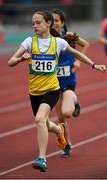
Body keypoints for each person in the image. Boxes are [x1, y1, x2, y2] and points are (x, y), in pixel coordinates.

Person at [8, 10, 106, 172]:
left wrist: (94, 65)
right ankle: (59, 130)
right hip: (35, 91)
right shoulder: (29, 42)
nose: (34, 25)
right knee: (46, 124)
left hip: (53, 89)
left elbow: (77, 54)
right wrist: (20, 59)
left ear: (48, 24)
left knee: (40, 119)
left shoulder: (59, 43)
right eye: (33, 23)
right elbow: (10, 61)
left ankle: (41, 158)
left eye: (38, 22)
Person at [52, 8, 90, 156]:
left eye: (57, 20)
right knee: (60, 117)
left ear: (62, 23)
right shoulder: (46, 39)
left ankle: (74, 100)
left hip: (68, 81)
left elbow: (86, 45)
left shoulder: (68, 36)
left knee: (66, 113)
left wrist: (79, 62)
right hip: (53, 83)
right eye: (52, 20)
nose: (54, 23)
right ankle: (67, 143)